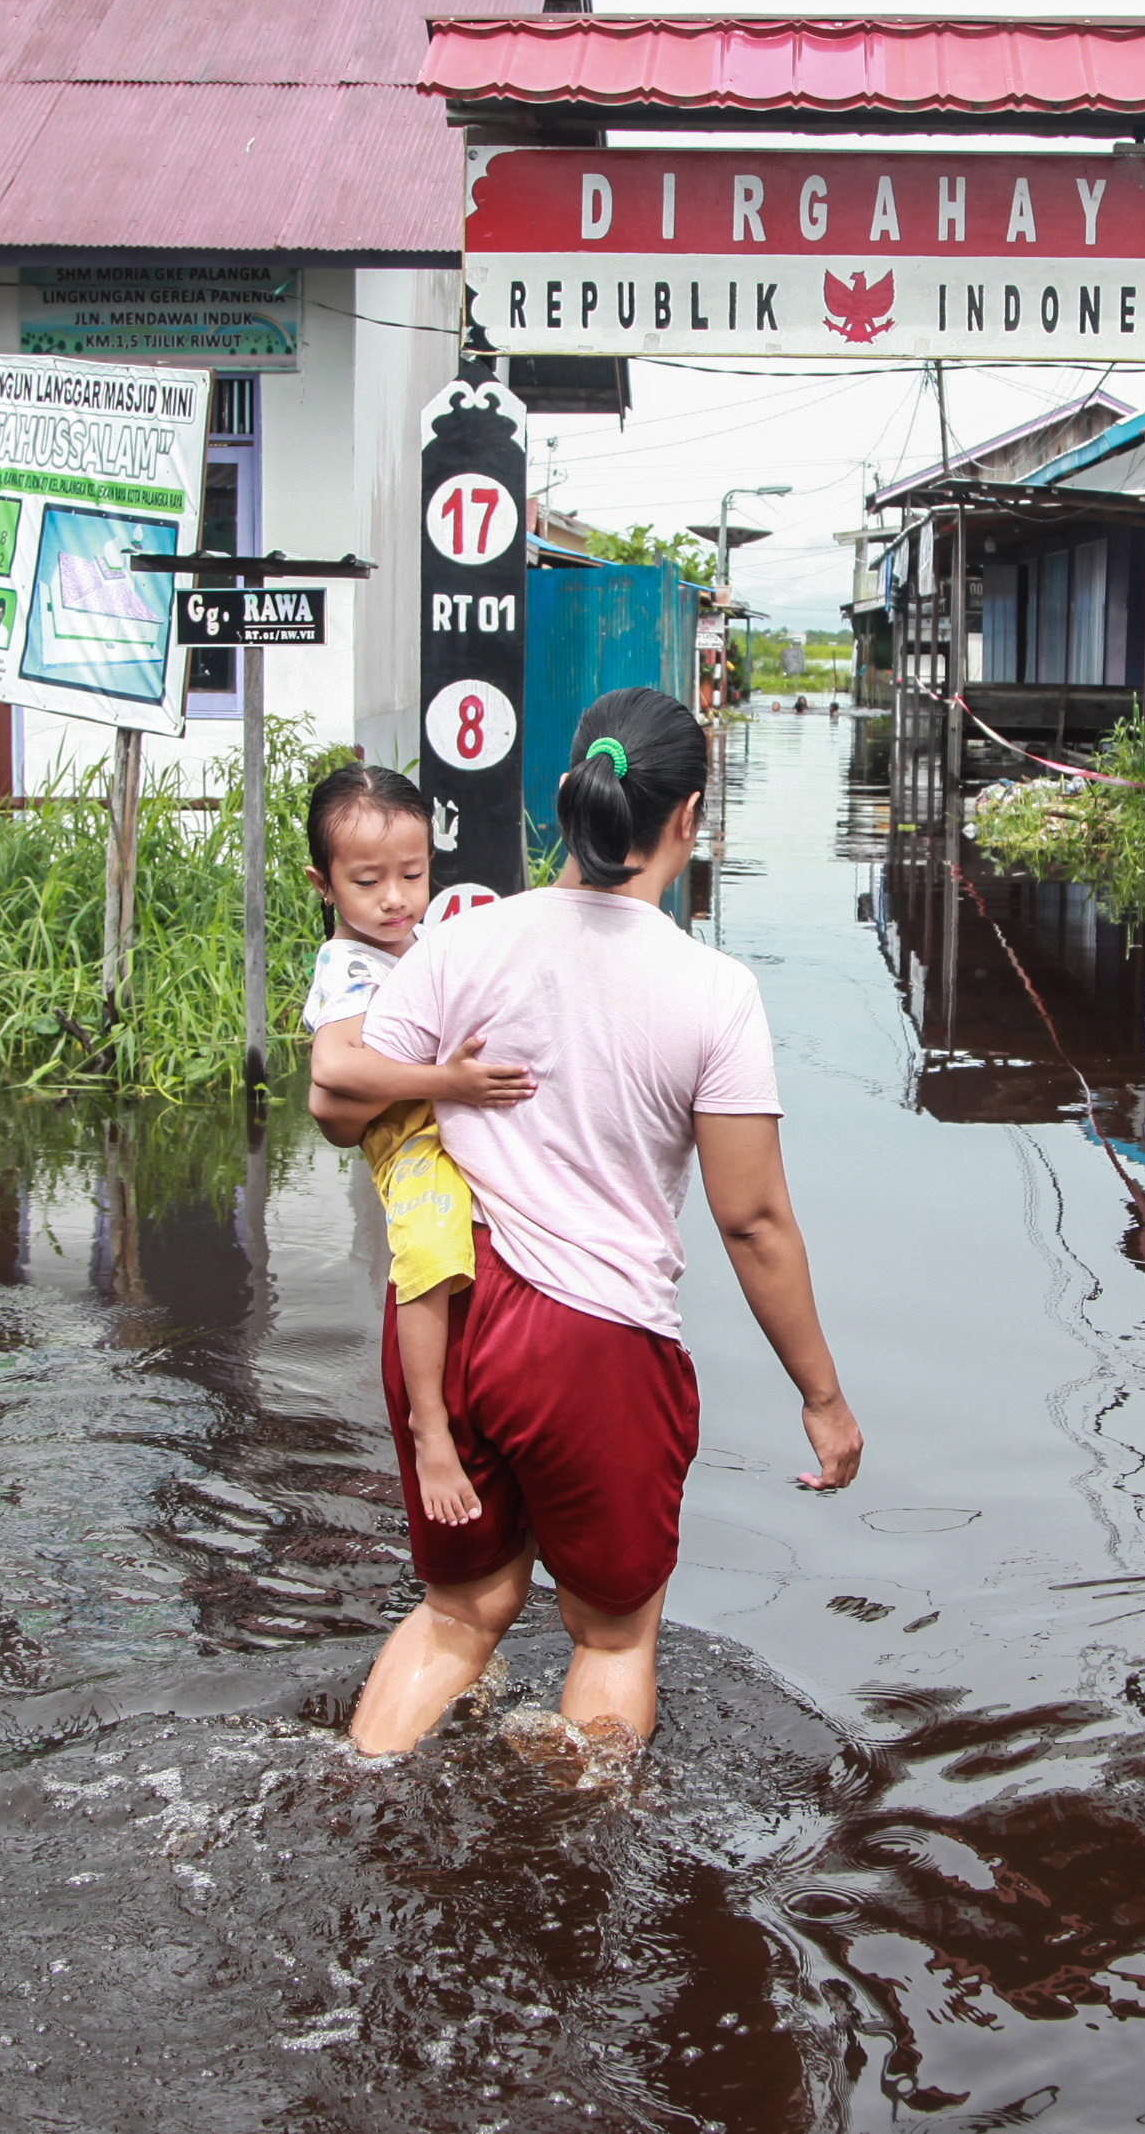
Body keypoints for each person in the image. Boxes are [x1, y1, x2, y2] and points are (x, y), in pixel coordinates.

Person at [321, 687, 864, 1759]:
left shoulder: (461, 942)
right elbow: (752, 1222)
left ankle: (354, 1791)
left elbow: (339, 1108)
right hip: (592, 1340)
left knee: (459, 1612)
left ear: (570, 791)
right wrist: (822, 1396)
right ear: (689, 815)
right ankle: (580, 1850)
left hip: (445, 1310)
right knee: (611, 1634)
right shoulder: (712, 991)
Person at [296, 763, 537, 1538]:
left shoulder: (422, 941)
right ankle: (429, 1425)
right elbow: (334, 1070)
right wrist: (447, 1082)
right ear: (324, 885)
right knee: (429, 1250)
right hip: (411, 1137)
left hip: (444, 1113)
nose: (395, 898)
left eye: (413, 873)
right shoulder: (348, 965)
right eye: (368, 882)